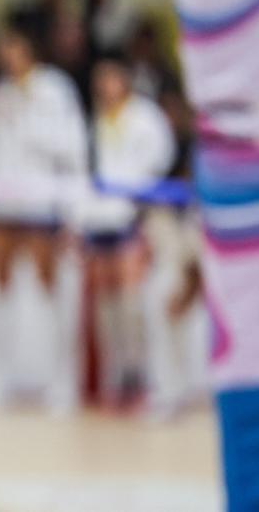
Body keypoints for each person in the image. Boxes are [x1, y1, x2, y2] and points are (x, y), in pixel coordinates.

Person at [0, 15, 88, 414]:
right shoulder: (4, 93)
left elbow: (72, 144)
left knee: (51, 293)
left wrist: (72, 211)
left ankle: (62, 381)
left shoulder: (54, 89)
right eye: (3, 50)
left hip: (43, 205)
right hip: (7, 207)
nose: (7, 56)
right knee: (0, 292)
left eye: (13, 48)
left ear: (29, 51)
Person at [80, 54, 175, 408]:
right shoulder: (97, 121)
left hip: (132, 216)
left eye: (111, 79)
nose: (105, 87)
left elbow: (159, 160)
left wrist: (135, 197)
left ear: (125, 80)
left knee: (133, 299)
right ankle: (116, 371)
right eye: (99, 81)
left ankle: (141, 370)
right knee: (106, 302)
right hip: (99, 219)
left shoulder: (145, 118)